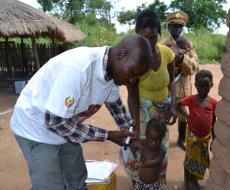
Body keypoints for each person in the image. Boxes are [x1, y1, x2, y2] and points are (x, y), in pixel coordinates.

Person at [10, 35, 153, 190]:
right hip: (36, 128)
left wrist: (131, 138)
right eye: (133, 72)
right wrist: (108, 135)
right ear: (121, 55)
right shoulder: (78, 68)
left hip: (66, 127)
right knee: (50, 186)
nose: (133, 80)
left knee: (76, 179)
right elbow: (55, 122)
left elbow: (116, 107)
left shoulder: (112, 75)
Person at [121, 9, 177, 185]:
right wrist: (136, 124)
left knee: (161, 146)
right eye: (144, 38)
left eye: (153, 37)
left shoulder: (167, 53)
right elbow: (132, 96)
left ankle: (157, 178)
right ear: (138, 35)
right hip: (142, 109)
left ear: (158, 34)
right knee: (141, 147)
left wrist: (173, 104)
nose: (149, 42)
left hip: (163, 110)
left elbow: (172, 82)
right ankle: (138, 180)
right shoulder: (135, 58)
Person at [161, 11, 199, 150]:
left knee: (183, 114)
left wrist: (184, 59)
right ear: (169, 27)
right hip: (166, 88)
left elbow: (195, 67)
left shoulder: (189, 45)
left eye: (179, 26)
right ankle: (161, 139)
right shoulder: (163, 44)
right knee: (164, 113)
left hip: (183, 87)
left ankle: (181, 139)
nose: (177, 29)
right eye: (174, 26)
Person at [176, 70, 217, 190]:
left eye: (206, 86)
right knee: (189, 159)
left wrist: (214, 138)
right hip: (192, 137)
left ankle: (192, 181)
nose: (203, 89)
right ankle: (188, 181)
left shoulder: (213, 103)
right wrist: (187, 117)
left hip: (205, 138)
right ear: (195, 86)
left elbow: (213, 121)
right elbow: (177, 104)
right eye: (200, 86)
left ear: (211, 86)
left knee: (199, 160)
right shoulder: (192, 99)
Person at [128, 118, 166, 190]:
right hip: (140, 182)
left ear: (162, 138)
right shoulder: (142, 143)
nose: (154, 143)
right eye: (151, 139)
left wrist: (141, 164)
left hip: (154, 185)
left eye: (158, 140)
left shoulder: (161, 151)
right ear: (146, 134)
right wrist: (135, 156)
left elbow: (156, 162)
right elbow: (132, 145)